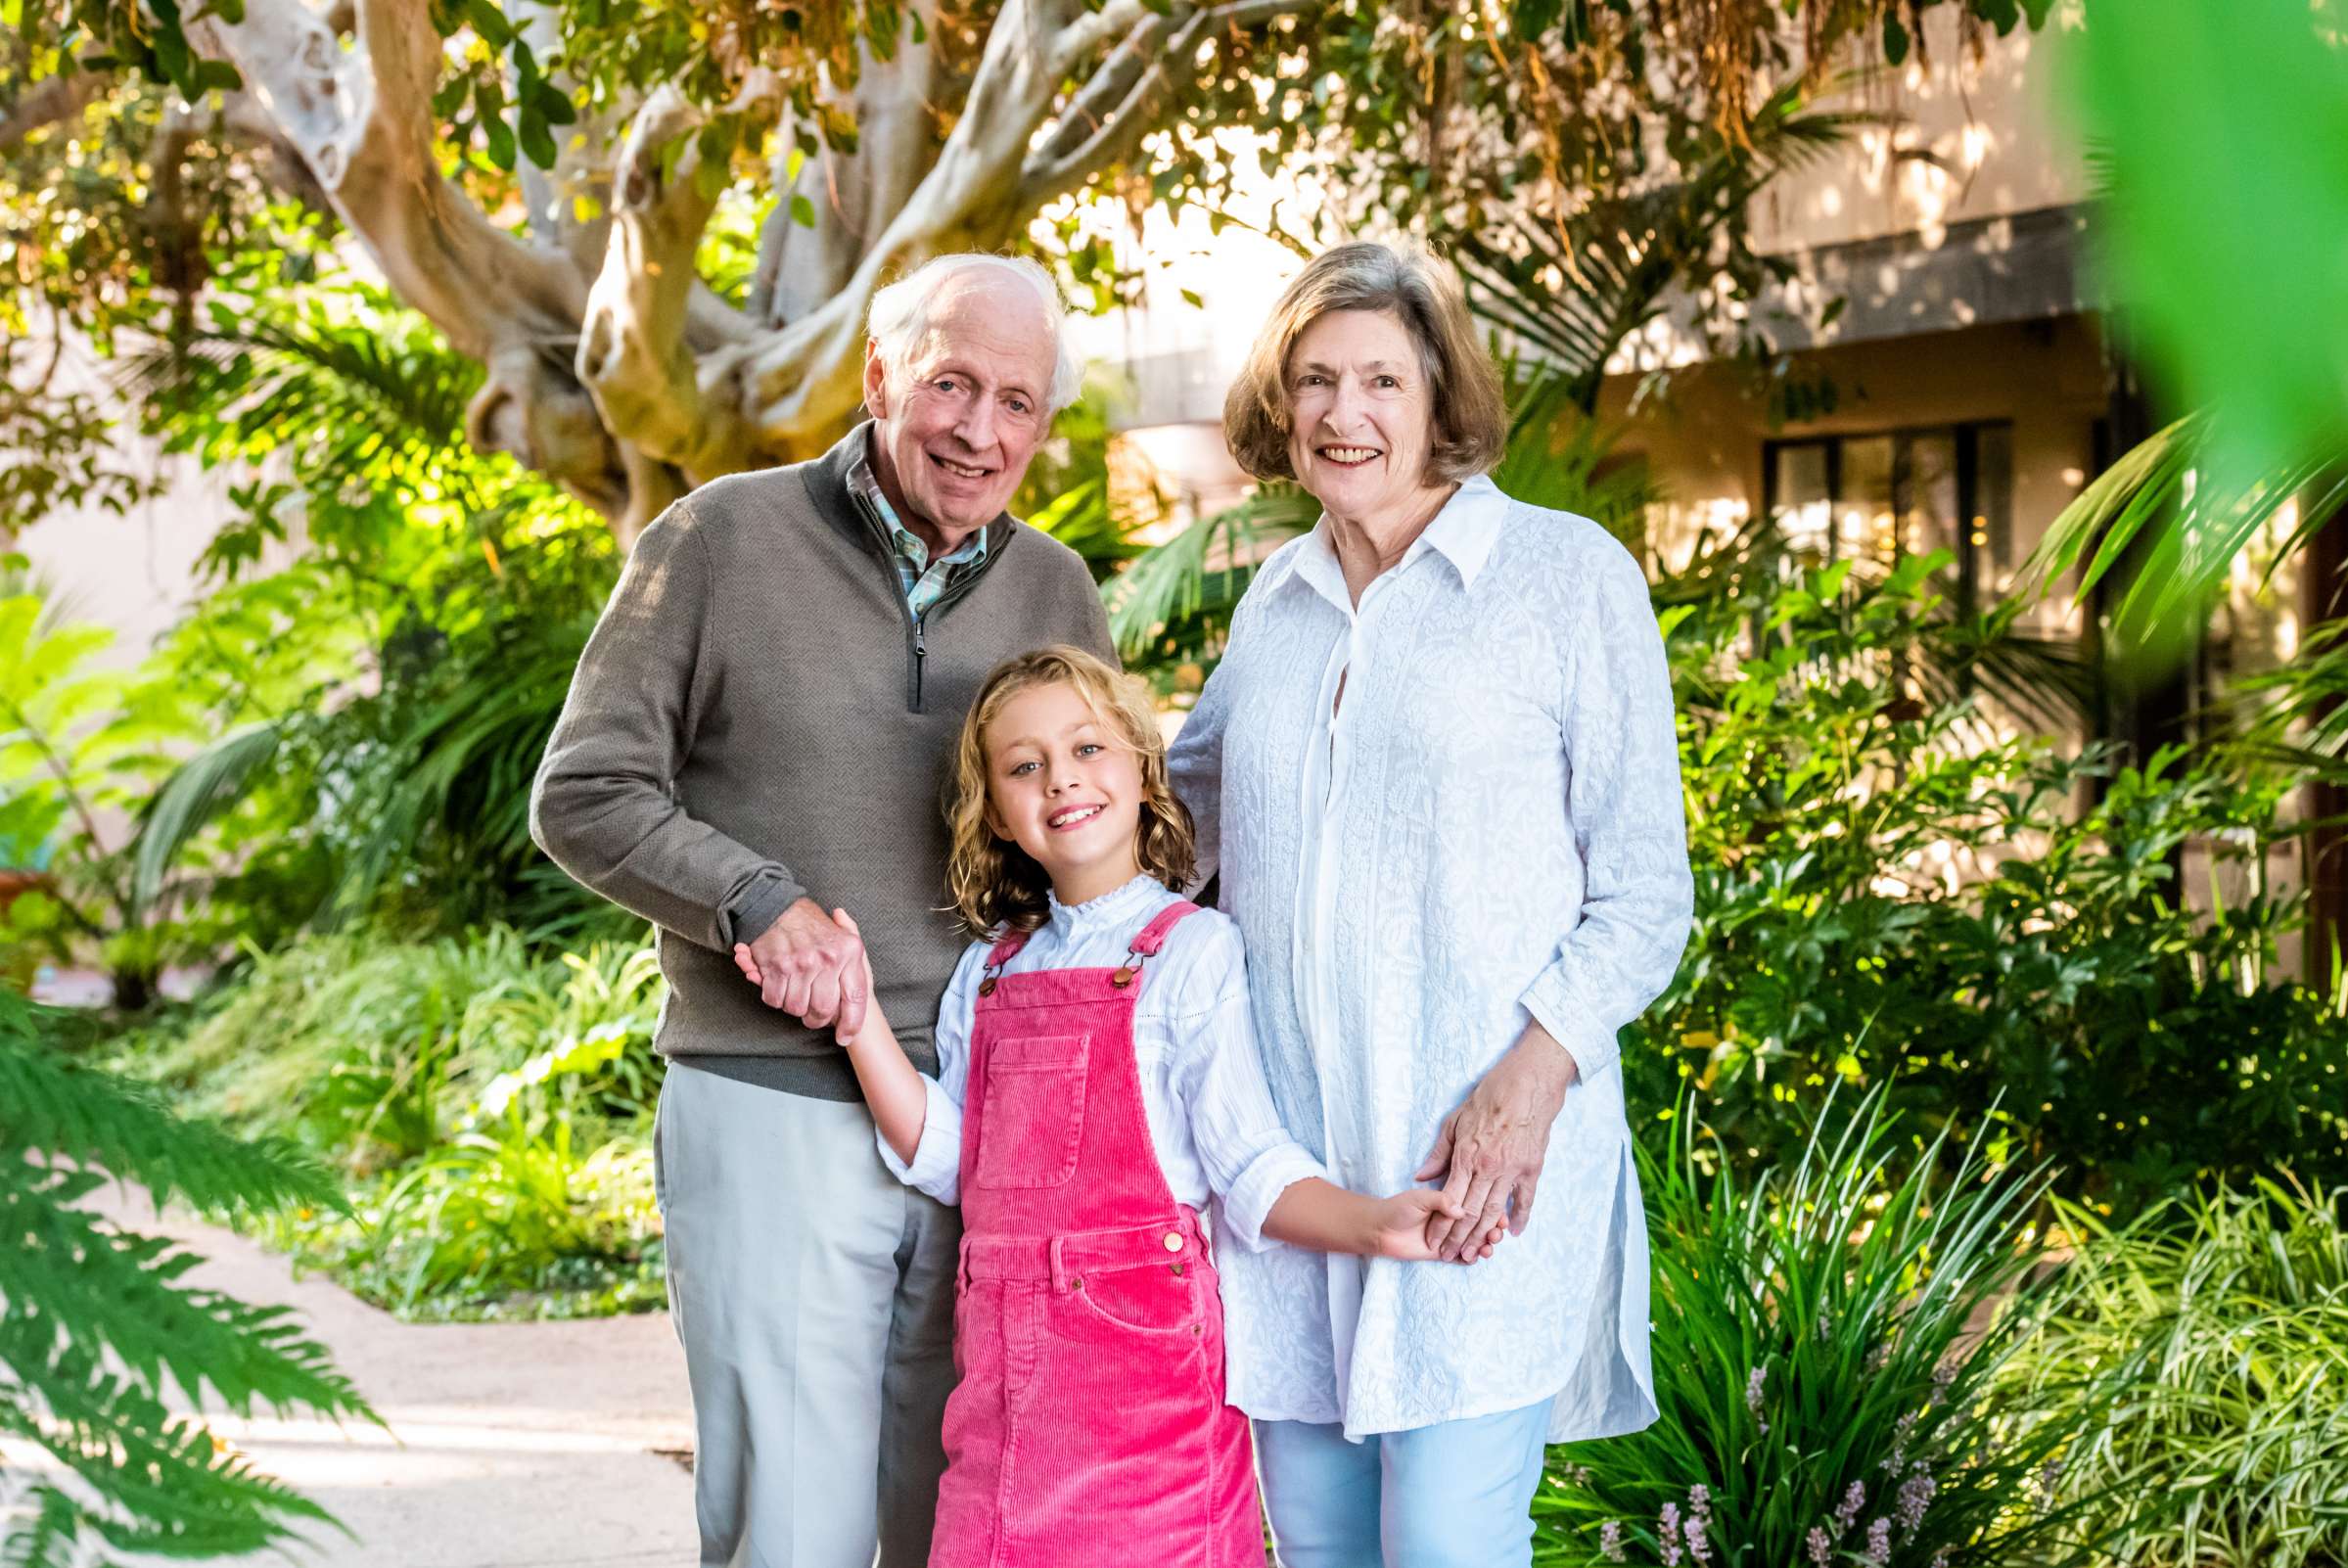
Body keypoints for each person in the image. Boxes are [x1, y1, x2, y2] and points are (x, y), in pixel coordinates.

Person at [529, 254, 1116, 1568]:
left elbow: (1098, 835)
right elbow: (585, 790)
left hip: (988, 1116)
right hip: (774, 1095)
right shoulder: (721, 540)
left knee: (955, 1522)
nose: (980, 428)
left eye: (1016, 400)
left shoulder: (1058, 591)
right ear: (879, 378)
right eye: (951, 382)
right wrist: (753, 897)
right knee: (795, 1531)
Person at [1167, 240, 1696, 1568]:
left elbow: (1645, 894)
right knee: (1323, 1552)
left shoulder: (1566, 579)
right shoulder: (1270, 614)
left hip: (1473, 1177)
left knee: (1452, 1547)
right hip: (1290, 1189)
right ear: (1281, 408)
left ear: (1439, 394)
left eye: (1381, 380)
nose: (1347, 415)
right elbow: (1174, 841)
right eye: (1315, 381)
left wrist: (1534, 1076)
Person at [773, 645, 1497, 1568]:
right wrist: (858, 1019)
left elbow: (1247, 1164)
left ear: (1143, 770)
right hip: (1002, 1382)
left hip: (1144, 1379)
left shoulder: (1191, 951)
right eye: (1024, 766)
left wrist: (1377, 1227)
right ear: (997, 810)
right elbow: (954, 1158)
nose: (1061, 780)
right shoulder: (991, 968)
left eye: (1087, 749)